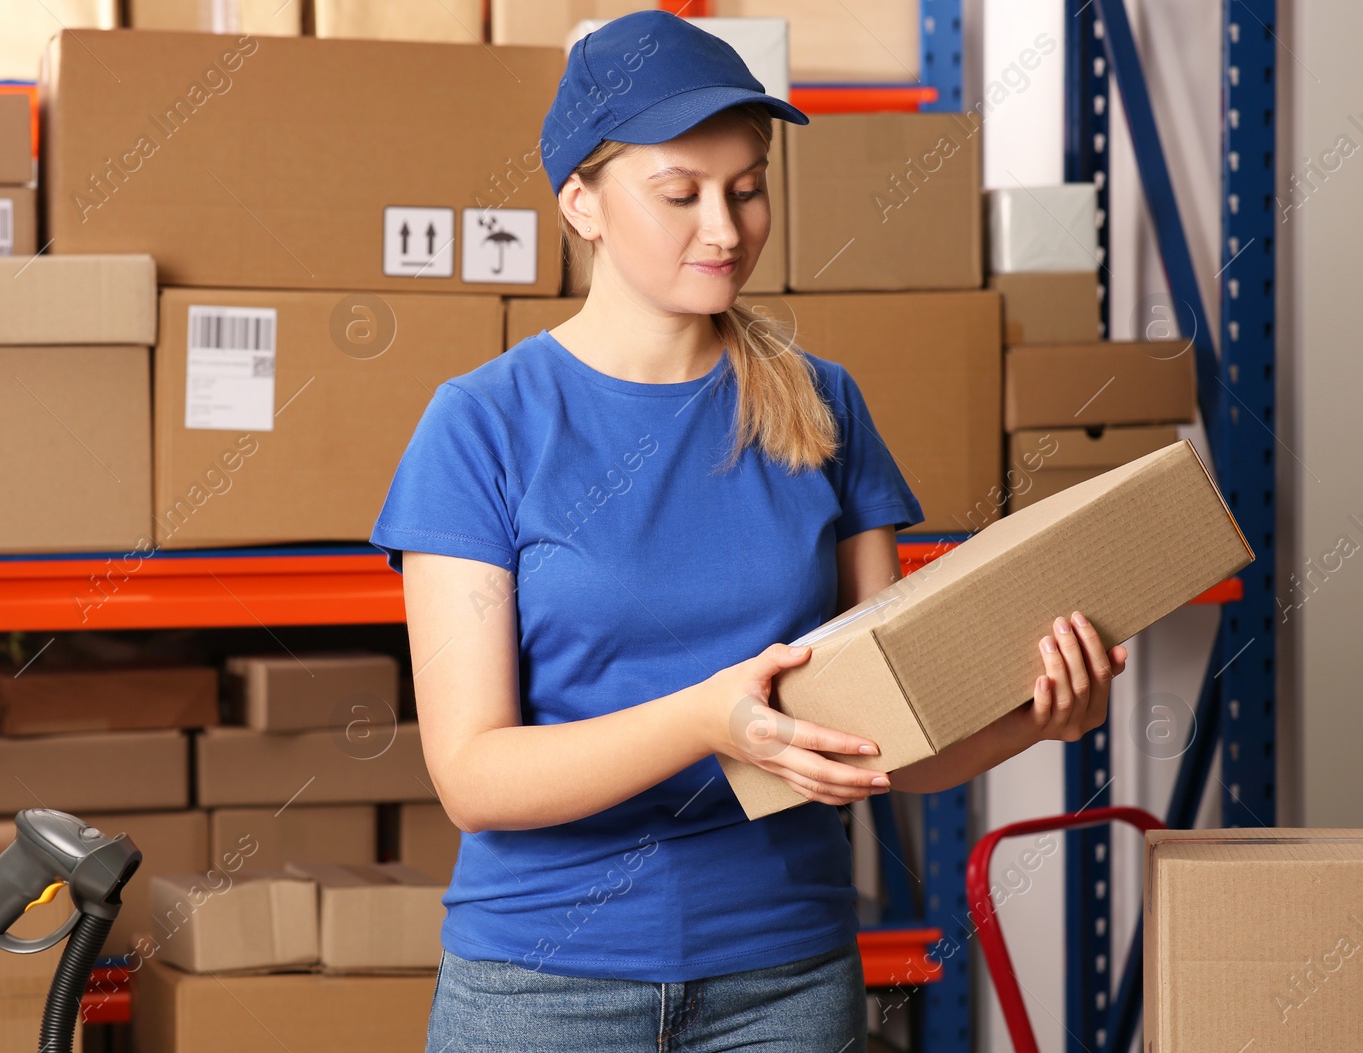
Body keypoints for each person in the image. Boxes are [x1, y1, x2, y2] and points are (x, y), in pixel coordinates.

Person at [369, 11, 1128, 1052]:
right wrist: (708, 719)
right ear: (580, 203)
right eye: (678, 194)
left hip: (785, 979)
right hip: (542, 988)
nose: (724, 230)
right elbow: (474, 777)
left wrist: (1039, 721)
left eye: (748, 186)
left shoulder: (823, 408)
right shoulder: (482, 426)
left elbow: (882, 739)